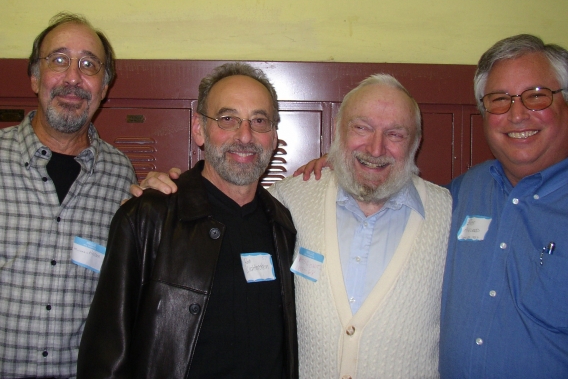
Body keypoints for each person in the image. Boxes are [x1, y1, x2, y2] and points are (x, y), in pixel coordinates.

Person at [137, 74, 452, 378]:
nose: (375, 148)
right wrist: (167, 192)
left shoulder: (450, 212)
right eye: (361, 128)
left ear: (416, 143)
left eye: (395, 134)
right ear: (338, 133)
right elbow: (230, 192)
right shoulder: (291, 197)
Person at [0, 13, 137, 378]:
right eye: (58, 60)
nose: (73, 77)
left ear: (104, 88)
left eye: (88, 65)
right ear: (35, 77)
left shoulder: (121, 175)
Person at [77, 63, 298, 379]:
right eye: (228, 119)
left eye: (259, 121)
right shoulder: (147, 217)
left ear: (274, 136)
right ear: (199, 130)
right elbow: (105, 355)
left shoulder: (284, 225)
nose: (245, 135)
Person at [439, 34, 568, 377]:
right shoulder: (464, 190)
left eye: (537, 96)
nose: (517, 114)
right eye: (499, 100)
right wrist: (342, 170)